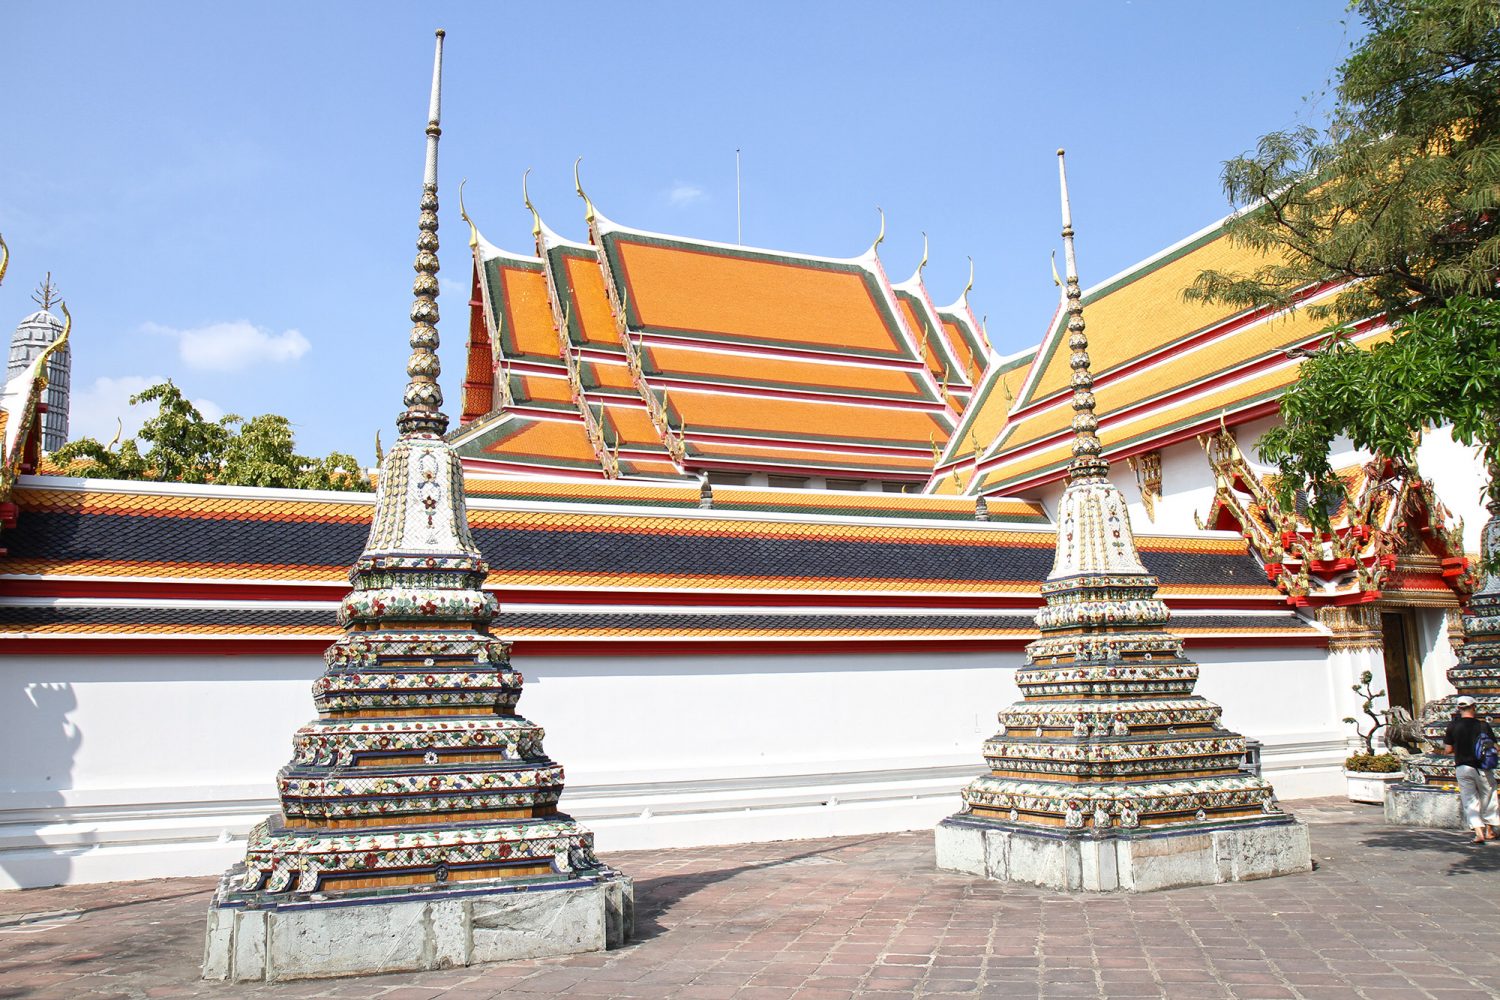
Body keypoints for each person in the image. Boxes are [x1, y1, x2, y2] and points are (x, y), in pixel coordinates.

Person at [1442, 695, 1499, 844]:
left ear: (1459, 709)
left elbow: (1447, 750)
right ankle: (1489, 830)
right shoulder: (1482, 725)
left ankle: (1478, 832)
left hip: (1462, 767)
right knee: (1489, 797)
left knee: (1469, 800)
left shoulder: (1452, 726)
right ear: (1474, 707)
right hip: (1482, 767)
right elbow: (1495, 747)